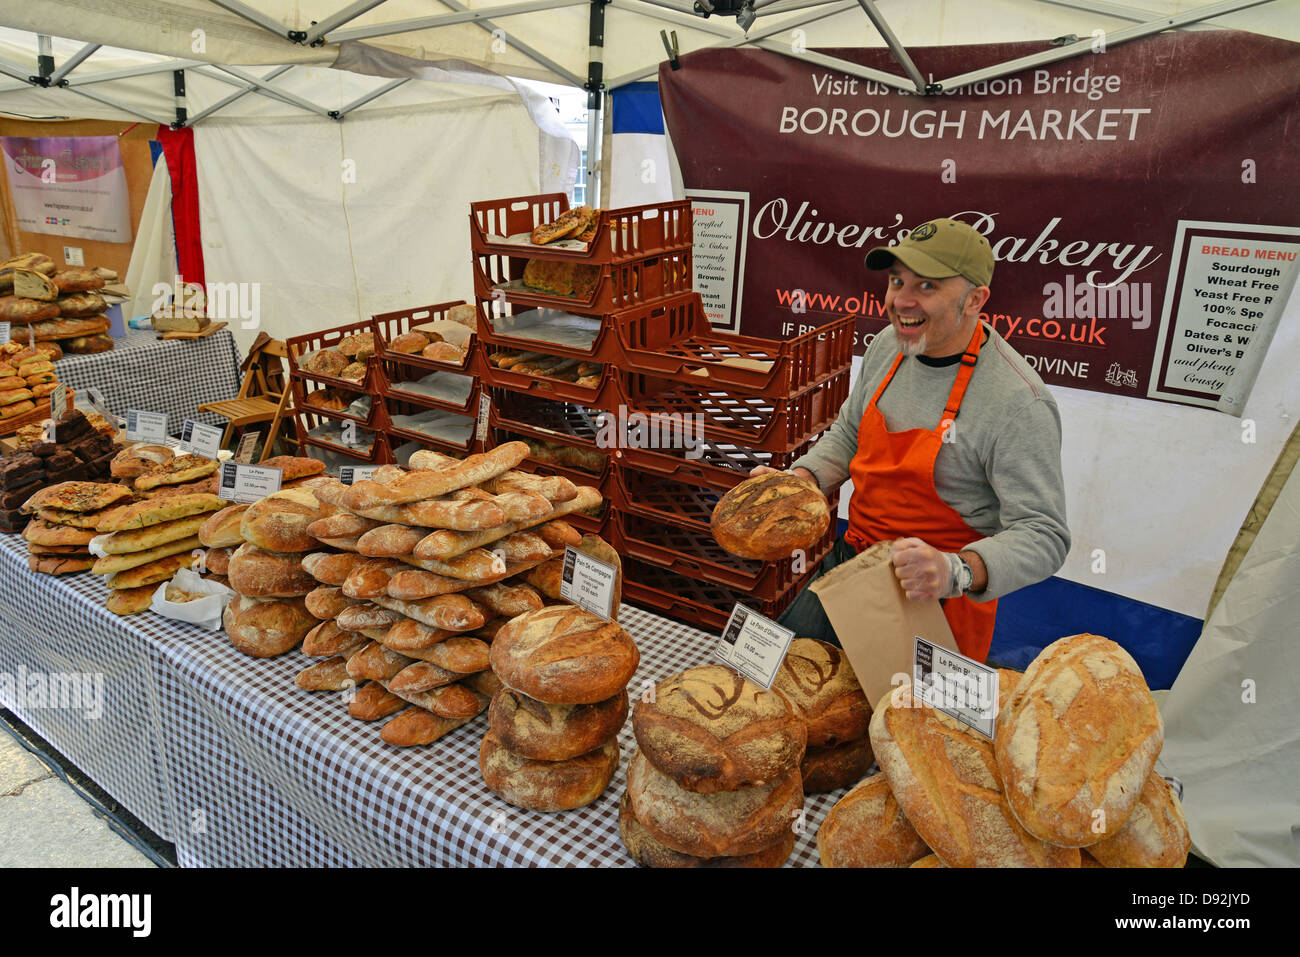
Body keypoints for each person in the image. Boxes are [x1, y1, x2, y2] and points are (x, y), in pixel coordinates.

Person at [759, 217, 1070, 663]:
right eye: (896, 280)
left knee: (892, 728)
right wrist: (795, 485)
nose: (900, 300)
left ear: (975, 299)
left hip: (939, 598)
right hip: (853, 564)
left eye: (927, 286)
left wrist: (955, 570)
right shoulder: (890, 345)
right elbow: (849, 434)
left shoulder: (1018, 401)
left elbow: (1045, 534)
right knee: (778, 685)